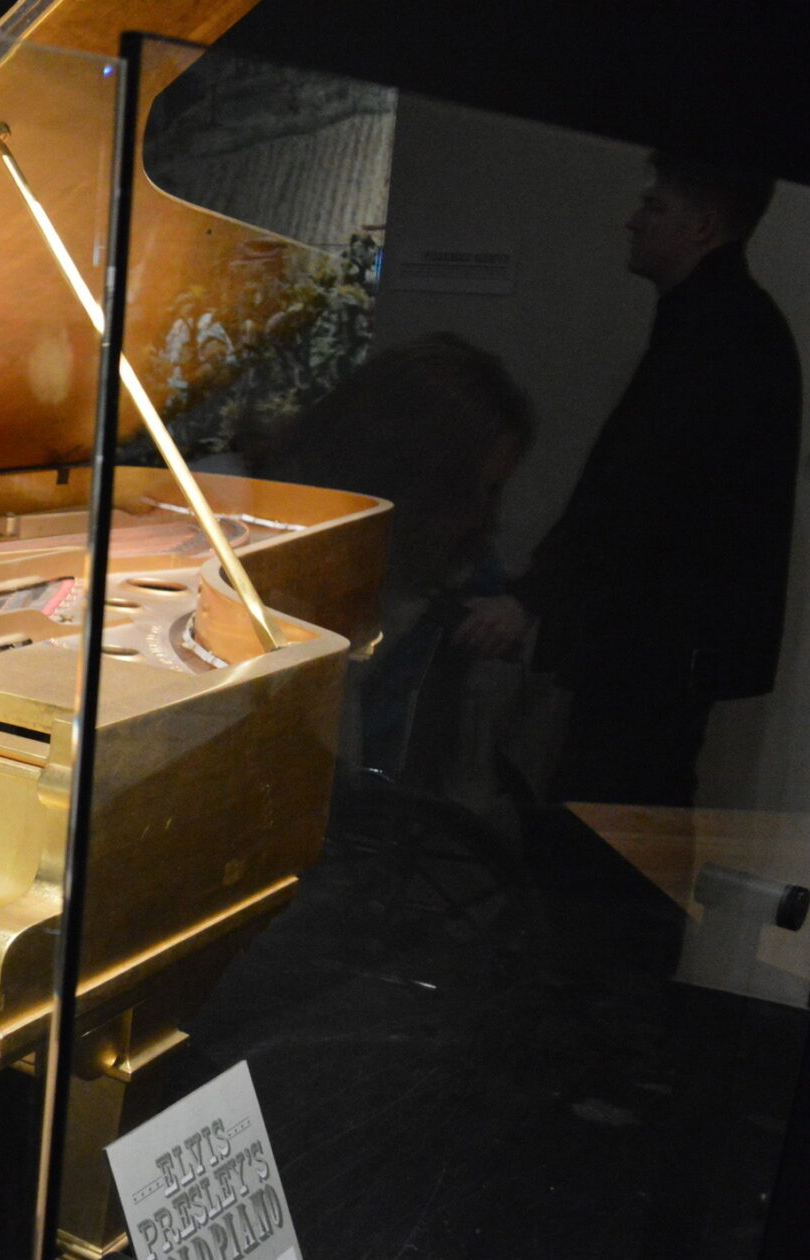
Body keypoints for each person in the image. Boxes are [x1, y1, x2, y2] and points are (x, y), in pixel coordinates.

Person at [456, 152, 801, 806]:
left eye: (655, 206)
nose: (633, 220)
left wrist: (535, 598)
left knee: (606, 822)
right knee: (625, 822)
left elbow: (639, 489)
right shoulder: (730, 324)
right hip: (665, 650)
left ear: (703, 226)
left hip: (648, 650)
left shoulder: (714, 333)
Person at [248, 333, 535, 777]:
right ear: (412, 468)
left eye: (492, 490)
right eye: (467, 487)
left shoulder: (452, 561)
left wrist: (514, 611)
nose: (480, 510)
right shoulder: (251, 526)